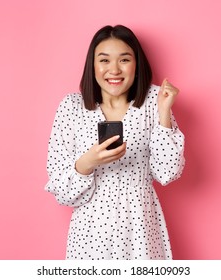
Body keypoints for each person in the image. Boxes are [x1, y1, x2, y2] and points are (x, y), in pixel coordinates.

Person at [45, 25, 185, 260]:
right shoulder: (71, 107)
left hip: (140, 227)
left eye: (124, 59)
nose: (114, 69)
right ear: (93, 66)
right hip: (90, 233)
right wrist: (87, 163)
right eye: (104, 60)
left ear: (136, 64)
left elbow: (168, 173)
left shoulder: (154, 101)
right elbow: (61, 191)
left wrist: (163, 114)